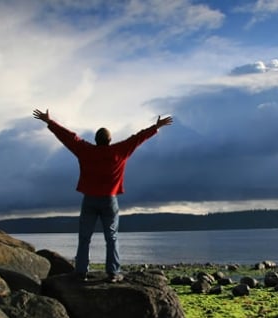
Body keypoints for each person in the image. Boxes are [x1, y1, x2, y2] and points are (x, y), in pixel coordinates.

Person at [33, 108, 173, 282]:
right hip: (109, 200)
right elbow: (137, 138)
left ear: (96, 140)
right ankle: (113, 273)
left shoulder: (85, 150)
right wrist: (156, 127)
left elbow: (68, 137)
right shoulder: (119, 151)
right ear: (110, 140)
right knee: (112, 238)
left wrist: (49, 121)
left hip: (89, 199)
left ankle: (81, 272)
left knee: (84, 238)